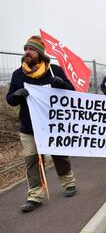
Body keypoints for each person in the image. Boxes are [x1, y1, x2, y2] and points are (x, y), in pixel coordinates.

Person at [6, 35, 77, 213]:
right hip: (28, 127)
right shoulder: (17, 74)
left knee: (59, 155)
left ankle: (69, 183)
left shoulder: (54, 71)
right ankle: (34, 196)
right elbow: (10, 100)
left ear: (40, 52)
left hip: (53, 125)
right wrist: (16, 96)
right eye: (25, 49)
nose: (27, 52)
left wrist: (62, 85)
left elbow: (72, 92)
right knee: (32, 161)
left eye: (30, 49)